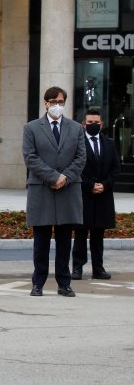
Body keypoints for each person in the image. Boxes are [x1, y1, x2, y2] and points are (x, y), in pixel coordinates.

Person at [23, 86, 86, 298]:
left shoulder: (76, 128)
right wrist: (53, 177)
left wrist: (65, 177)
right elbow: (30, 157)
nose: (57, 106)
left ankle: (64, 283)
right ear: (46, 103)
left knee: (64, 241)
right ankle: (38, 282)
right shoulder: (31, 128)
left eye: (61, 102)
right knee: (40, 242)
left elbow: (80, 158)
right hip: (42, 190)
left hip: (68, 190)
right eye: (54, 102)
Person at [71, 109, 121, 280]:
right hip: (84, 195)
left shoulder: (109, 143)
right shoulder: (77, 144)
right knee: (80, 234)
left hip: (103, 195)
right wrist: (90, 185)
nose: (93, 125)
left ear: (102, 124)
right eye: (90, 122)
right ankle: (77, 268)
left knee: (98, 235)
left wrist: (104, 185)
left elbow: (116, 168)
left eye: (96, 123)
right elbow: (75, 168)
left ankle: (98, 268)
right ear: (84, 125)